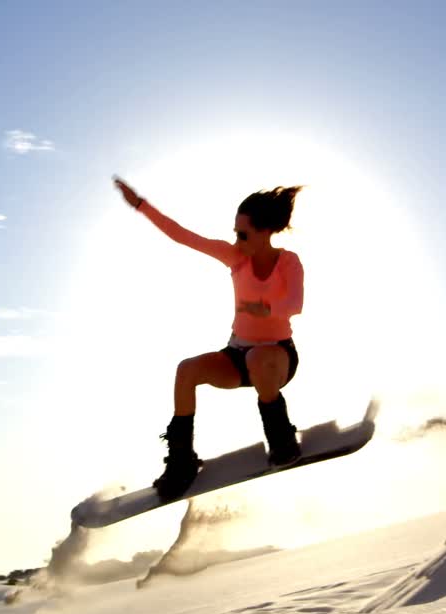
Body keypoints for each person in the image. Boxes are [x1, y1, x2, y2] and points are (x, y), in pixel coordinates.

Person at [113, 176, 306, 501]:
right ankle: (182, 462)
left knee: (260, 359)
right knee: (186, 370)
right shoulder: (235, 258)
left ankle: (282, 440)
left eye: (243, 234)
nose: (237, 239)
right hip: (237, 356)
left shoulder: (288, 262)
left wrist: (265, 308)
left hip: (278, 358)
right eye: (235, 233)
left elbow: (294, 305)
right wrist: (140, 205)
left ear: (264, 232)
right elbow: (183, 236)